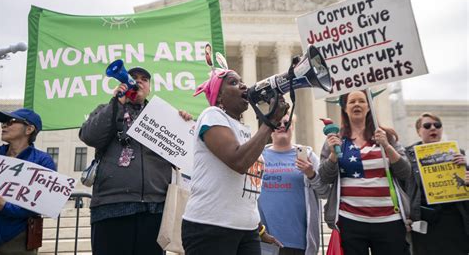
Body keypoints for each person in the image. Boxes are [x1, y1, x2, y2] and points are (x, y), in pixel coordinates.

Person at [79, 66, 192, 255]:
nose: (138, 81)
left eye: (144, 79)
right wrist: (116, 103)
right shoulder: (107, 109)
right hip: (112, 207)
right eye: (133, 77)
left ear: (149, 88)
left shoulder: (163, 116)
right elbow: (90, 136)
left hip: (154, 209)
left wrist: (182, 124)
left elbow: (184, 156)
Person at [182, 69, 289, 255]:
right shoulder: (212, 115)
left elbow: (245, 187)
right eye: (233, 82)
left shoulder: (244, 130)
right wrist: (271, 121)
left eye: (241, 81)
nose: (243, 86)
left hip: (247, 231)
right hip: (211, 228)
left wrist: (258, 228)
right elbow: (238, 161)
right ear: (219, 96)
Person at [318, 90, 411, 255]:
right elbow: (325, 177)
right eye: (352, 102)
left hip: (389, 219)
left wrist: (387, 147)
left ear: (369, 107)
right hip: (350, 220)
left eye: (361, 101)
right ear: (344, 108)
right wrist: (333, 155)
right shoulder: (336, 139)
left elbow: (405, 172)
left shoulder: (385, 136)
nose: (357, 104)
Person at [258, 114, 330, 255]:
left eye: (287, 122)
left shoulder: (307, 155)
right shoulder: (258, 156)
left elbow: (325, 192)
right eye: (277, 122)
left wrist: (311, 174)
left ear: (293, 126)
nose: (282, 125)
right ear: (269, 127)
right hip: (265, 241)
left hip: (299, 243)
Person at [405, 112, 469, 255]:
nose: (433, 128)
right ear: (418, 132)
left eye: (437, 125)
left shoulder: (458, 153)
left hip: (454, 219)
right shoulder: (407, 155)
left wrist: (467, 166)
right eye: (427, 126)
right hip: (425, 219)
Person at [0, 108, 56, 254]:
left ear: (29, 129)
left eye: (10, 122)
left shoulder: (42, 161)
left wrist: (4, 206)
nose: (4, 126)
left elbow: (42, 204)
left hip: (18, 238)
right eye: (2, 122)